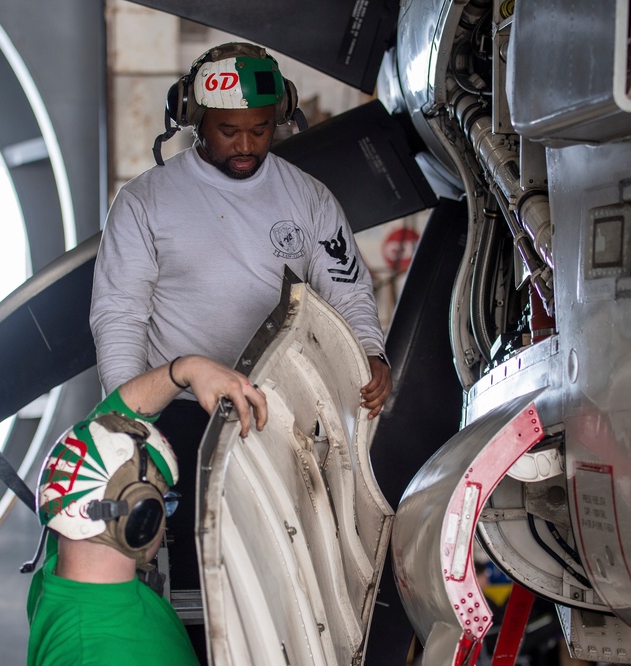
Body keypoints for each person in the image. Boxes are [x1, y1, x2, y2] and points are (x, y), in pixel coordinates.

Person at [88, 39, 392, 654]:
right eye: (229, 131)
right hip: (179, 415)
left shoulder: (307, 199)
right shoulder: (147, 202)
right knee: (198, 570)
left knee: (287, 565)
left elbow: (349, 290)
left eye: (260, 130)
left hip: (280, 414)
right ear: (195, 119)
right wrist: (127, 422)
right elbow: (119, 313)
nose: (247, 145)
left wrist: (370, 350)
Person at [27, 356, 266, 666]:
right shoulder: (99, 655)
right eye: (164, 503)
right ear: (141, 517)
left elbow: (103, 428)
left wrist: (186, 370)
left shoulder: (61, 563)